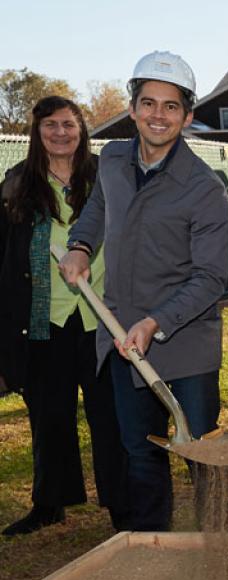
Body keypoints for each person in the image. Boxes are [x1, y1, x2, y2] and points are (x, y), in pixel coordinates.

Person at [59, 51, 228, 532]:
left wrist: (156, 322)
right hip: (122, 336)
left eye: (171, 106)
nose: (158, 115)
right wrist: (79, 246)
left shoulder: (203, 187)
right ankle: (154, 547)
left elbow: (210, 278)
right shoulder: (111, 158)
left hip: (185, 343)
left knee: (201, 454)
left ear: (188, 116)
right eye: (148, 103)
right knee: (140, 452)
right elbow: (97, 209)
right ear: (132, 108)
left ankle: (221, 554)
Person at [0, 96, 128, 535]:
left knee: (108, 416)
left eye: (68, 124)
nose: (60, 133)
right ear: (37, 133)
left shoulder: (106, 177)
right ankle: (49, 502)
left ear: (82, 129)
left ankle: (120, 504)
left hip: (99, 317)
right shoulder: (18, 183)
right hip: (44, 319)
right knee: (50, 416)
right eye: (50, 125)